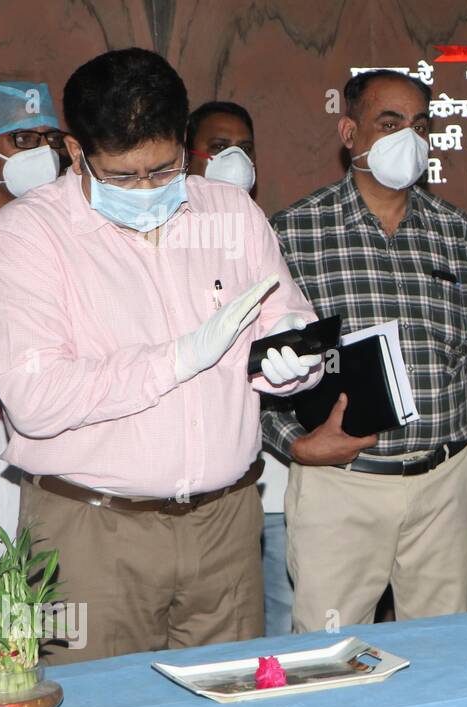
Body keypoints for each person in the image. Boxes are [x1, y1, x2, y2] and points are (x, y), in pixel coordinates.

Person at [0, 48, 324, 663]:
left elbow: (282, 322)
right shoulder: (29, 234)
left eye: (163, 170)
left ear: (185, 139)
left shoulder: (231, 214)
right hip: (89, 528)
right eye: (121, 175)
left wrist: (297, 362)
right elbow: (35, 401)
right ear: (75, 148)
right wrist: (179, 358)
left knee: (234, 702)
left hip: (226, 521)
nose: (145, 189)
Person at [264, 69, 467, 634]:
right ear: (350, 133)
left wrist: (436, 392)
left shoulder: (454, 231)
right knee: (330, 656)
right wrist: (297, 444)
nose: (409, 137)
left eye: (420, 125)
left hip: (442, 482)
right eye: (390, 123)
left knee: (444, 654)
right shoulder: (293, 231)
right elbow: (254, 367)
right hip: (342, 484)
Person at [184, 98, 293, 637]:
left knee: (277, 625)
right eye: (220, 146)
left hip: (274, 477)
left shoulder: (266, 233)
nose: (235, 159)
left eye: (245, 148)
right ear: (187, 156)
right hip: (209, 477)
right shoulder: (172, 240)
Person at [0, 81, 65, 537]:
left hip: (51, 437)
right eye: (23, 139)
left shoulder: (63, 227)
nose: (42, 153)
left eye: (52, 140)